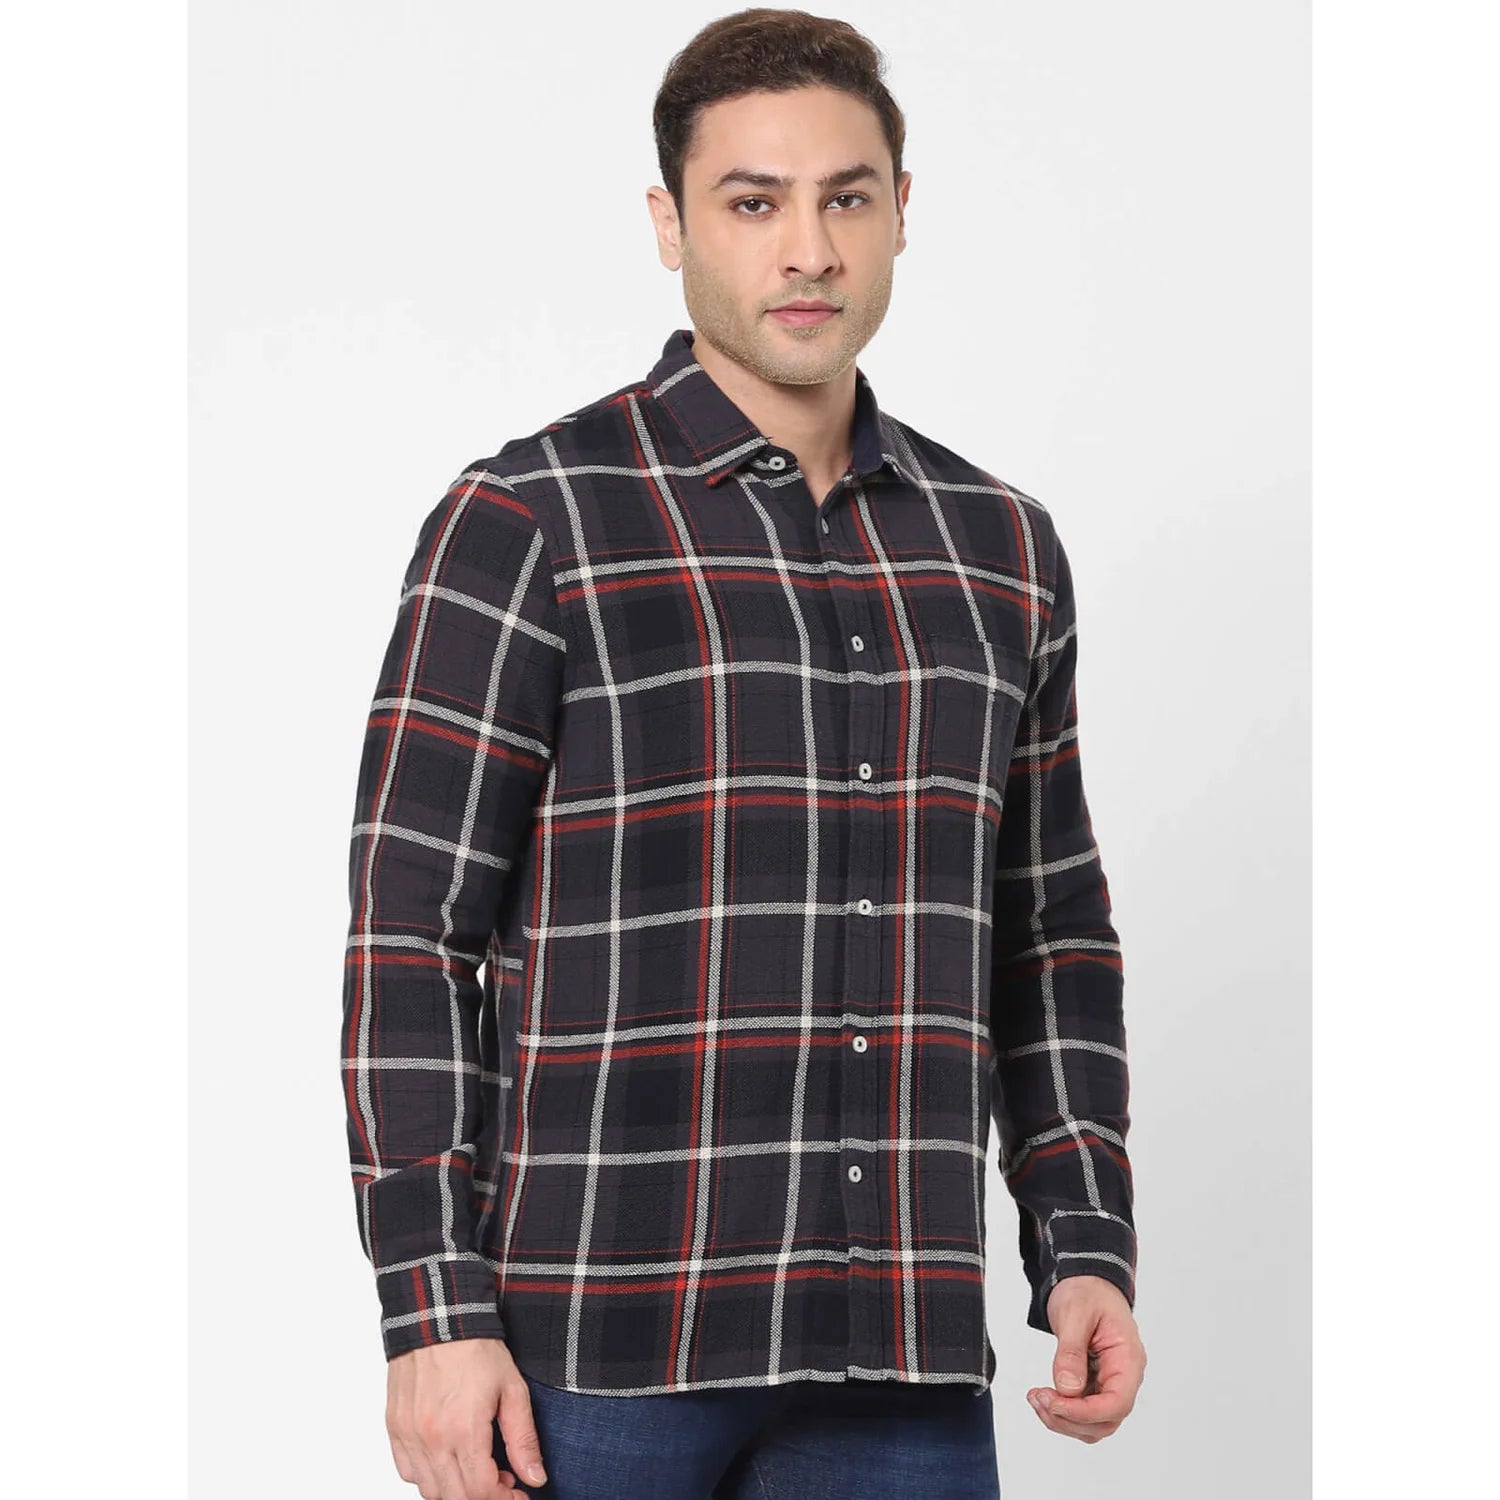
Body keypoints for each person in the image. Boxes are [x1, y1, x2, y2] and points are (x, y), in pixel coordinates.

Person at [340, 9, 1146, 1497]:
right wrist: (433, 1314)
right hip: (596, 1358)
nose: (809, 252)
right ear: (671, 224)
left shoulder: (1002, 551)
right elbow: (410, 937)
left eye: (847, 197)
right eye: (753, 202)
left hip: (899, 1359)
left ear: (901, 211)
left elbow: (1048, 936)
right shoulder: (531, 521)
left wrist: (1083, 1241)